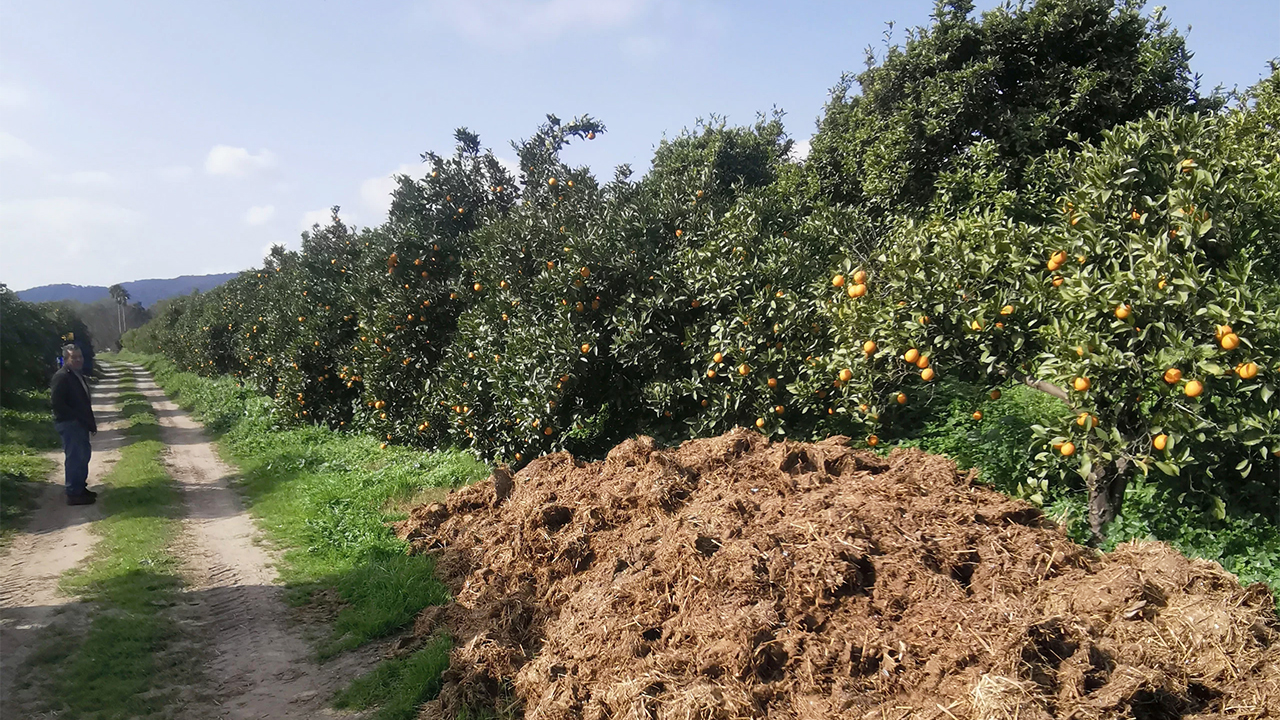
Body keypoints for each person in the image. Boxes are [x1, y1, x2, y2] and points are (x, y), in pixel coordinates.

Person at [51, 344, 97, 505]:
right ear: (66, 360)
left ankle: (80, 488)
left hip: (80, 424)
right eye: (74, 357)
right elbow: (57, 403)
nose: (78, 360)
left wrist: (90, 423)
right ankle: (73, 493)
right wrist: (76, 419)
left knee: (83, 456)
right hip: (70, 424)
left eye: (80, 357)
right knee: (75, 458)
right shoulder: (61, 377)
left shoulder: (77, 375)